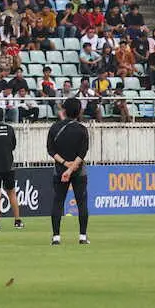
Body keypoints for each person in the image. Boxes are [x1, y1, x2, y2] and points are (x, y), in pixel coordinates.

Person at [48, 97, 91, 246]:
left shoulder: (54, 128)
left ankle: (56, 237)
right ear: (78, 112)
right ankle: (82, 236)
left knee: (58, 201)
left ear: (64, 110)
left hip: (60, 169)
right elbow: (82, 153)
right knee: (82, 202)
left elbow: (51, 150)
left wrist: (65, 165)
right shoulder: (82, 129)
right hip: (79, 170)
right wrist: (72, 168)